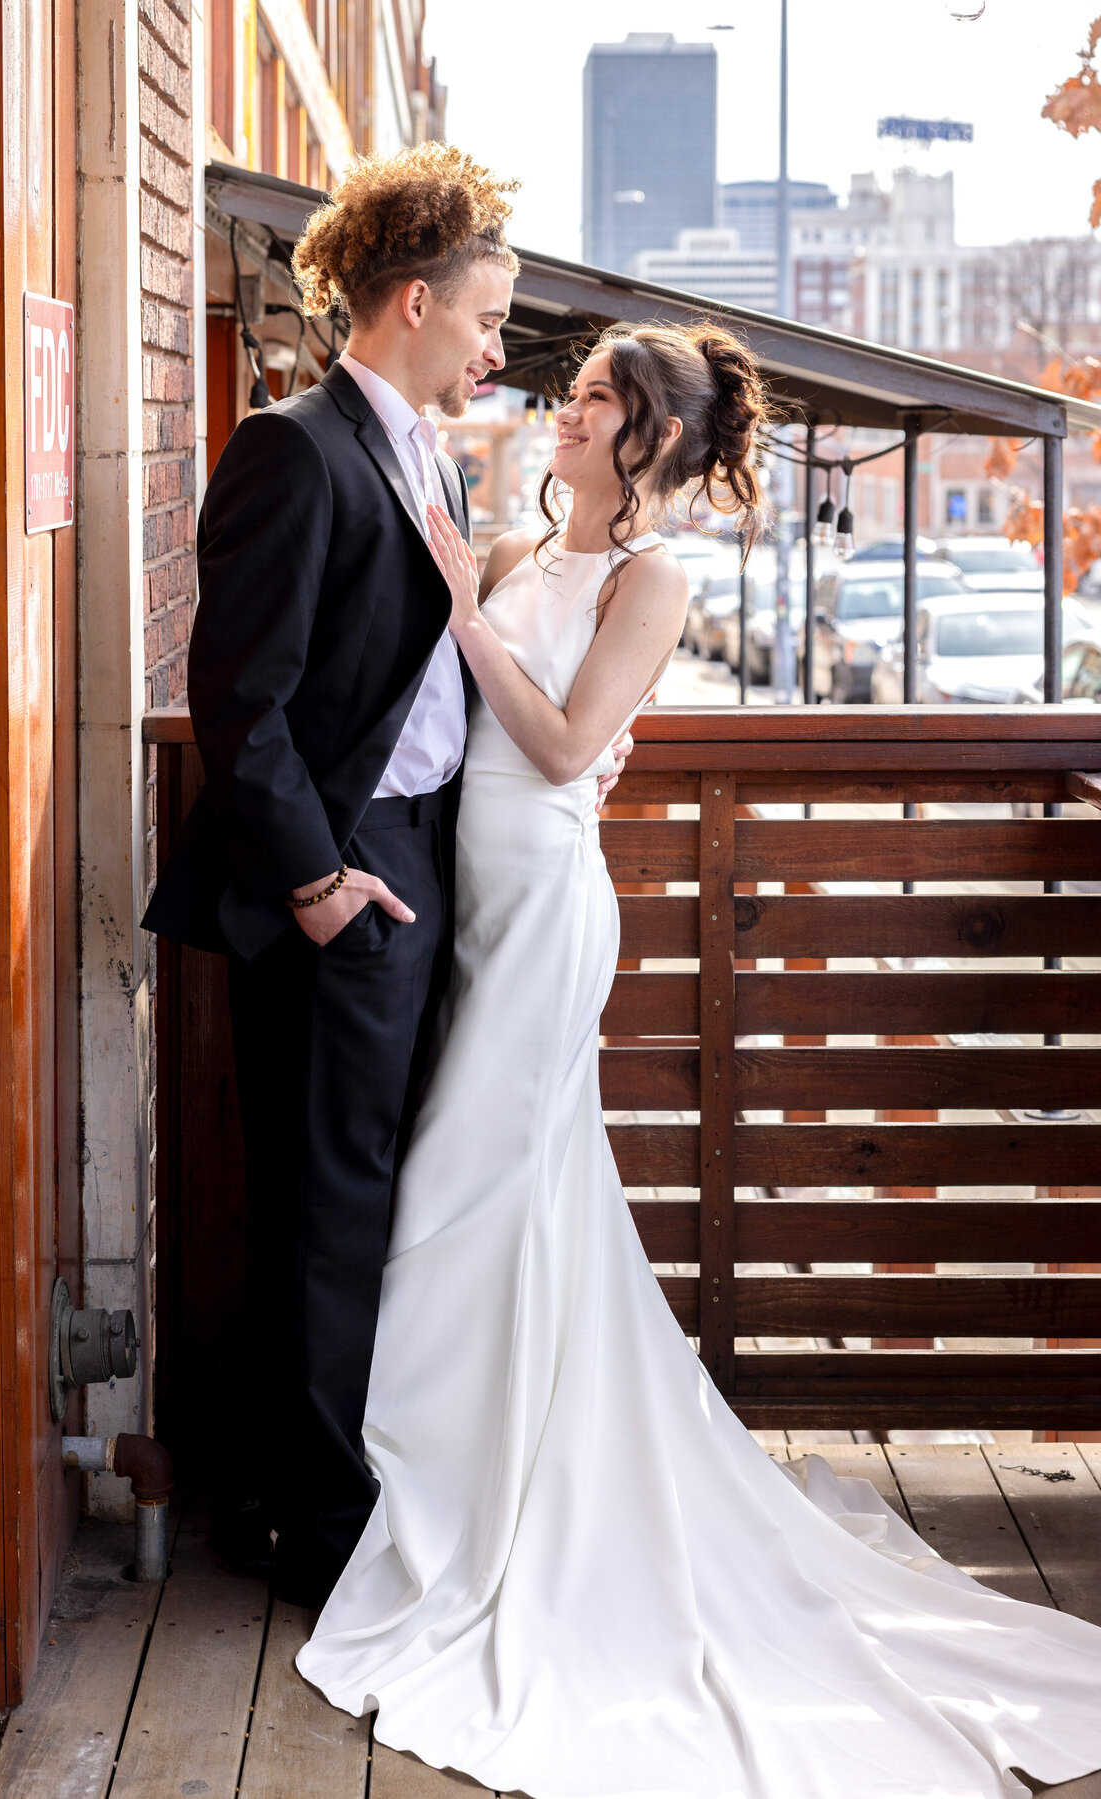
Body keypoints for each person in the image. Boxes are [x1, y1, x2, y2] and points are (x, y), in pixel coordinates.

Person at [296, 319, 1101, 1799]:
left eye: (594, 398)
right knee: (500, 1201)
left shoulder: (651, 578)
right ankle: (475, 1477)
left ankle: (488, 1504)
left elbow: (560, 745)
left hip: (545, 909)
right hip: (477, 904)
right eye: (575, 391)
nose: (567, 409)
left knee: (480, 1192)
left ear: (647, 436)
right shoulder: (540, 552)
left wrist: (470, 623)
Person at [142, 142, 630, 1606]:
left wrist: (569, 747)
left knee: (377, 1189)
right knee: (327, 1199)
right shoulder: (292, 445)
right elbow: (239, 692)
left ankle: (342, 1482)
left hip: (428, 864)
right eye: (487, 321)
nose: (500, 351)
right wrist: (315, 883)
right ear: (414, 301)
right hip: (345, 881)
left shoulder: (418, 446)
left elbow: (413, 672)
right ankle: (309, 1525)